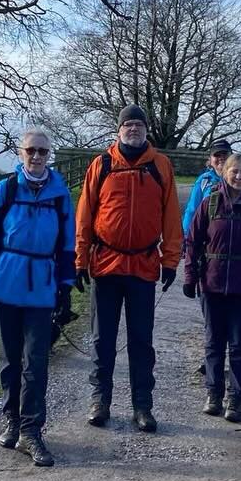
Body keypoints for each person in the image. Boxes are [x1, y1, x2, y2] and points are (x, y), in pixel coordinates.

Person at [0, 128, 76, 466]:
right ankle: (11, 421)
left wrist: (65, 287)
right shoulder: (7, 189)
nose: (36, 156)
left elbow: (67, 245)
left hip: (42, 288)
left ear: (50, 155)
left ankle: (32, 430)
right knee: (10, 359)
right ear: (21, 153)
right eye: (31, 150)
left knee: (37, 362)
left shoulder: (60, 195)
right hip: (7, 284)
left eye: (43, 152)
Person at [75, 105, 182, 433]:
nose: (133, 129)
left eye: (138, 124)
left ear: (146, 129)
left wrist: (171, 260)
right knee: (102, 339)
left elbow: (171, 216)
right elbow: (85, 214)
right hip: (106, 265)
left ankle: (142, 406)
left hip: (143, 266)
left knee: (141, 341)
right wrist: (80, 259)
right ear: (118, 130)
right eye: (128, 125)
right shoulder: (101, 165)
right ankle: (100, 401)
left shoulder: (160, 165)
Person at [183, 152, 241, 423]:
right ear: (224, 172)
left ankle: (236, 398)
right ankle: (213, 393)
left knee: (240, 345)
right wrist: (190, 277)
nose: (238, 176)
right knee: (213, 342)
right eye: (234, 171)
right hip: (212, 283)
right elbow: (193, 241)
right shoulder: (211, 202)